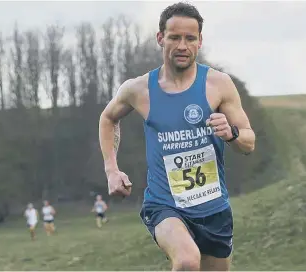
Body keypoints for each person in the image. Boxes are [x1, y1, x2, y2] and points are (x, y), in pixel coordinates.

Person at [98, 2, 255, 271]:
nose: (182, 45)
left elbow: (248, 144)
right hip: (164, 205)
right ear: (161, 38)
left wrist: (231, 134)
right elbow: (108, 118)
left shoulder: (219, 84)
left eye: (190, 38)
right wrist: (112, 170)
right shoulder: (138, 89)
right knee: (186, 261)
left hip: (213, 208)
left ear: (199, 41)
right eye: (174, 37)